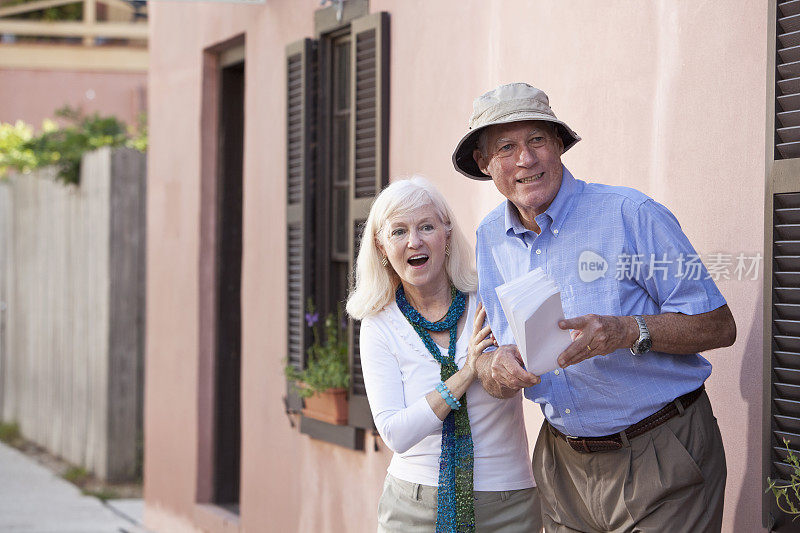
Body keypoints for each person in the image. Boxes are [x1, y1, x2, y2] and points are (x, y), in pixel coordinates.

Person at [451, 83, 737, 533]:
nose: (525, 159)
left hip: (662, 453)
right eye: (506, 147)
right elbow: (490, 349)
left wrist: (627, 331)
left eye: (537, 140)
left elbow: (719, 326)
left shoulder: (631, 214)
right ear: (485, 165)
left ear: (560, 145)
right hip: (562, 468)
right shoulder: (489, 237)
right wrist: (494, 367)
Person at [346, 176, 542, 533]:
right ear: (381, 246)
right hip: (413, 506)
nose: (414, 241)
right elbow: (395, 433)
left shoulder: (489, 299)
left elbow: (534, 360)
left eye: (426, 226)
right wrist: (468, 372)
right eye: (399, 232)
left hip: (508, 503)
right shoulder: (379, 325)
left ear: (447, 234)